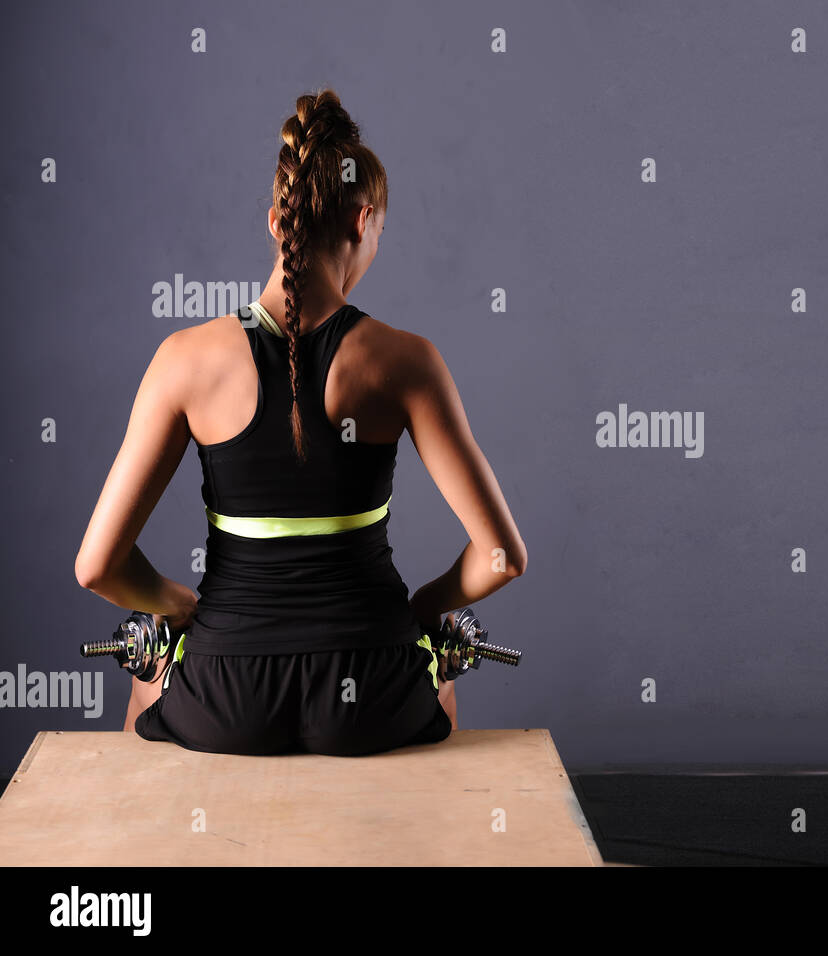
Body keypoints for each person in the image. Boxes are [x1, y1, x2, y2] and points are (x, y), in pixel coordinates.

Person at [73, 89, 527, 756]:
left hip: (225, 697)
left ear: (274, 221)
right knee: (441, 674)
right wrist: (421, 618)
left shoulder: (184, 361)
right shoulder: (407, 361)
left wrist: (176, 609)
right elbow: (502, 558)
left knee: (148, 674)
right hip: (372, 692)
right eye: (379, 232)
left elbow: (97, 567)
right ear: (362, 218)